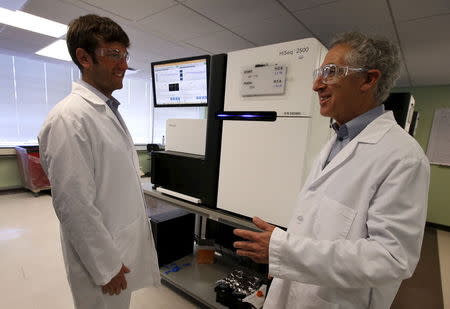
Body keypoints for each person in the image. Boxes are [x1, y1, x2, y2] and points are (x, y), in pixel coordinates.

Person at [233, 32, 430, 309]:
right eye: (319, 73)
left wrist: (285, 251)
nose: (316, 85)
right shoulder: (337, 140)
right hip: (296, 290)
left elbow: (392, 258)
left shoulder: (403, 157)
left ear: (368, 79)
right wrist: (286, 251)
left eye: (330, 72)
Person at [38, 14, 160, 309]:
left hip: (118, 249)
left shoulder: (105, 110)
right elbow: (73, 204)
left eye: (125, 55)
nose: (123, 64)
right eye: (113, 54)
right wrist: (106, 266)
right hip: (101, 264)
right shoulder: (70, 118)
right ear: (84, 58)